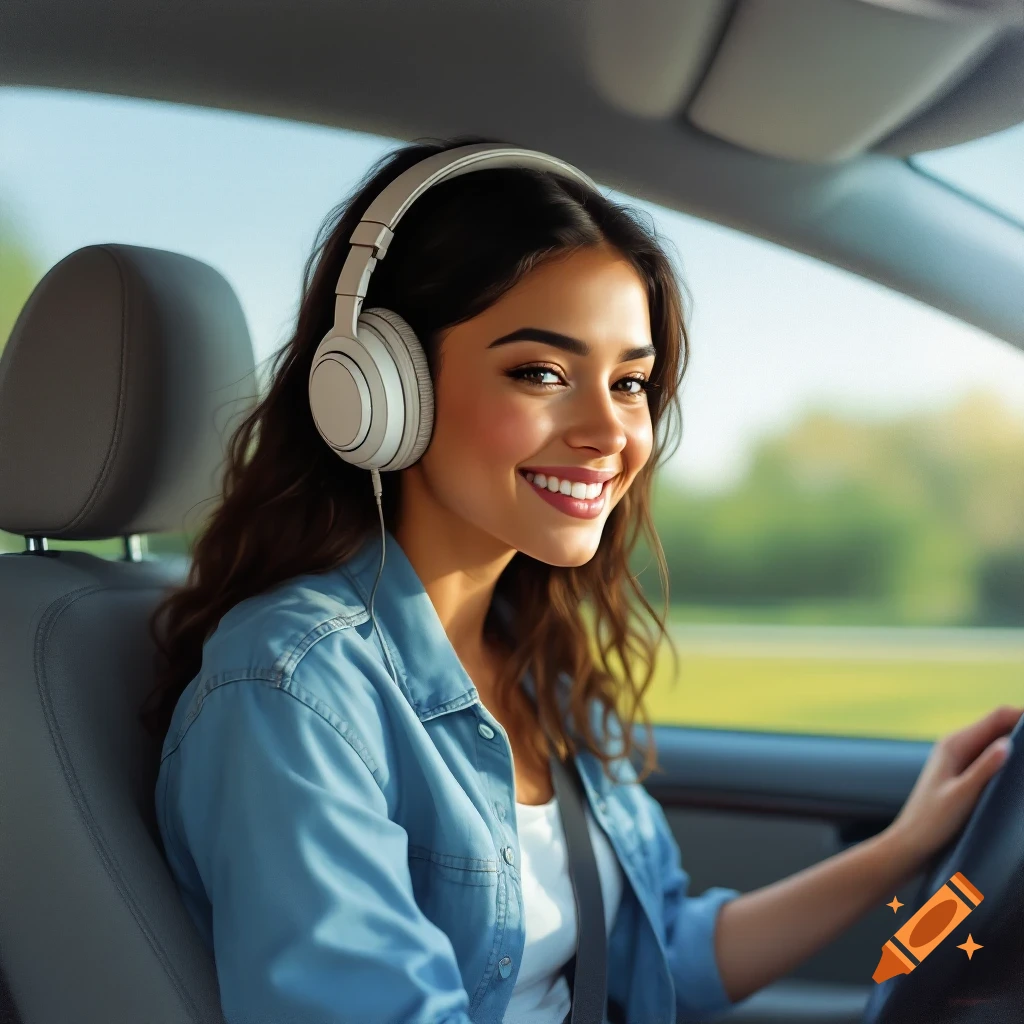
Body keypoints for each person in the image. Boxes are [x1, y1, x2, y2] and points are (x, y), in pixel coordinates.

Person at [139, 135, 1021, 1024]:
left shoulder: (535, 663)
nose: (609, 431)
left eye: (631, 381)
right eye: (542, 372)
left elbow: (659, 953)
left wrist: (905, 848)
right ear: (379, 390)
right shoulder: (292, 688)